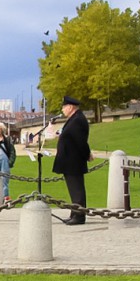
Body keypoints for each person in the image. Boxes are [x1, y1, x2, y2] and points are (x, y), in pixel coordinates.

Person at [52, 96, 93, 225]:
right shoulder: (73, 119)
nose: (63, 110)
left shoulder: (77, 120)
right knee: (73, 189)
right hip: (69, 160)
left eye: (64, 107)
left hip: (73, 160)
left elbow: (80, 141)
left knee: (77, 189)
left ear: (70, 107)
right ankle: (74, 213)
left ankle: (79, 216)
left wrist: (87, 154)